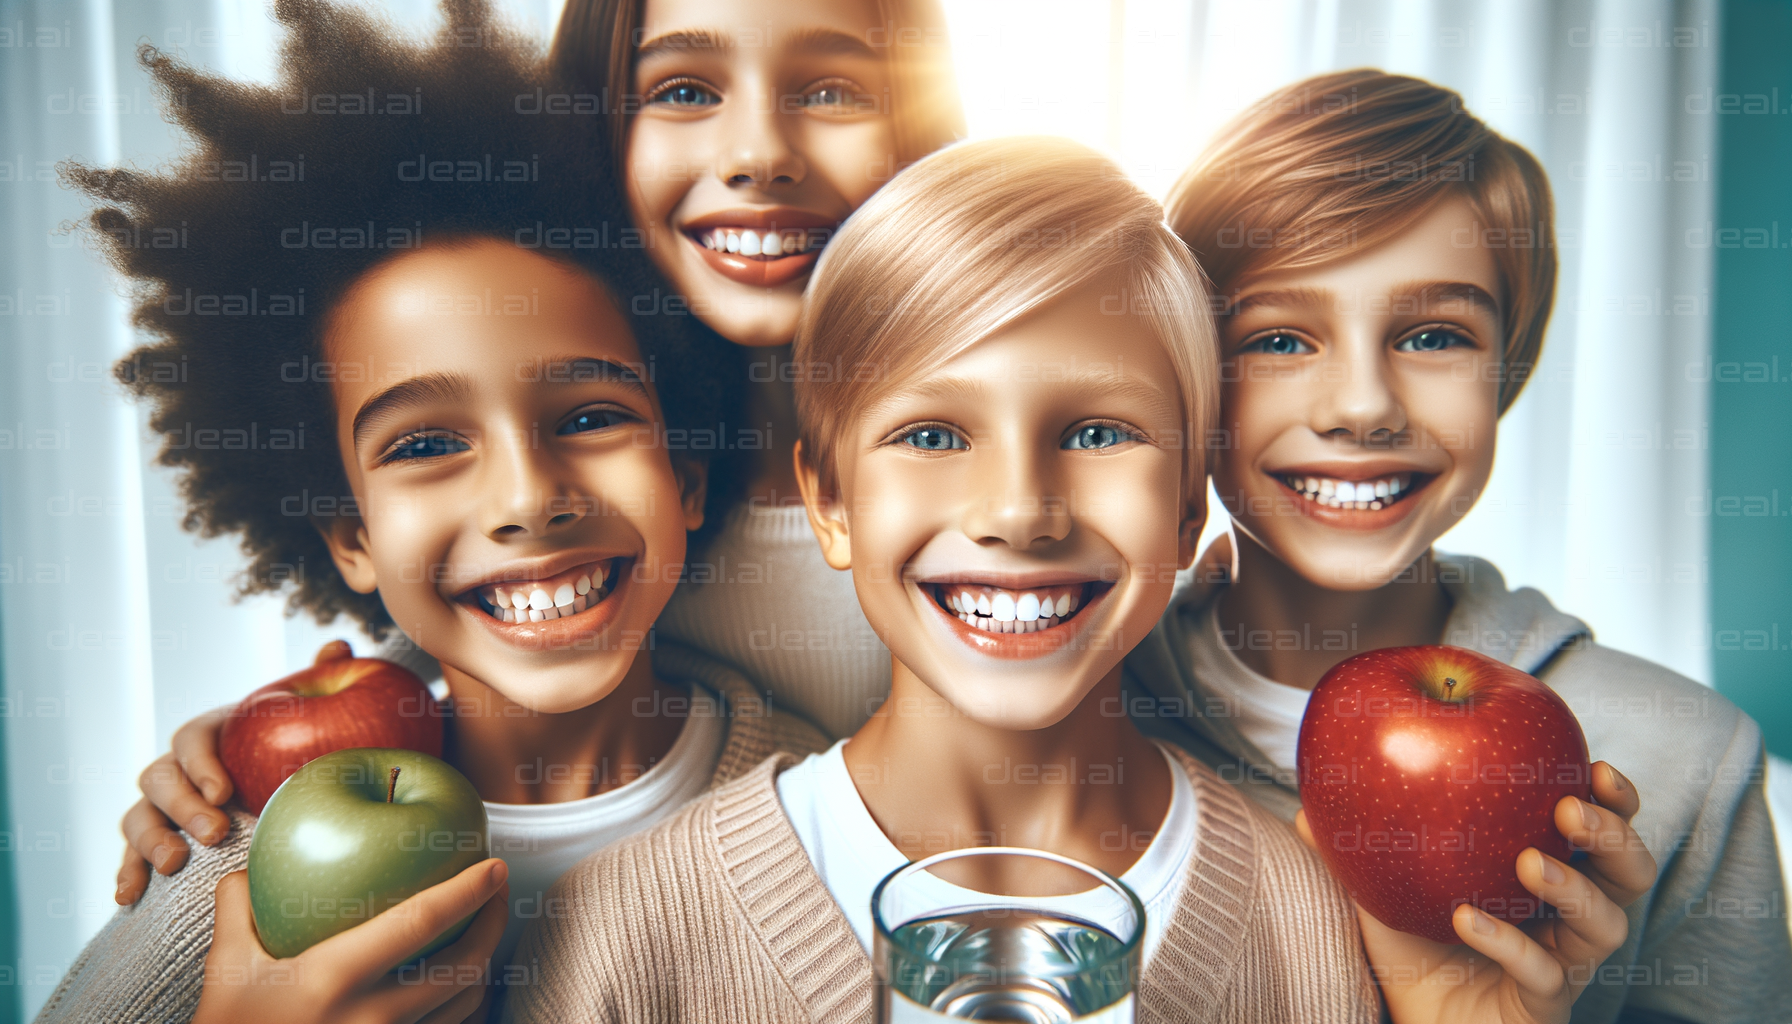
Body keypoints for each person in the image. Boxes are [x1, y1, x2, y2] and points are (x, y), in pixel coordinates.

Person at [503, 135, 1652, 1024]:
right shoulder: (627, 928)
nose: (1019, 512)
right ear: (831, 502)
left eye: (1100, 434)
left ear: (1191, 502)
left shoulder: (1314, 924)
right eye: (935, 435)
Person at [37, 2, 825, 1021]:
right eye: (424, 444)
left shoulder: (821, 813)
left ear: (687, 475)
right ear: (353, 537)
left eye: (589, 415)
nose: (528, 496)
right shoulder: (243, 840)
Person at [114, 0, 969, 906]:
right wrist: (294, 744)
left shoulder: (997, 482)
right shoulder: (579, 353)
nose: (759, 151)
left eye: (831, 88)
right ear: (598, 138)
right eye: (682, 89)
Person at [1124, 69, 1789, 1022]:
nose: (1362, 406)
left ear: (1505, 372)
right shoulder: (1073, 702)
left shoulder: (1689, 759)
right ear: (1188, 373)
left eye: (1434, 335)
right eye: (1277, 339)